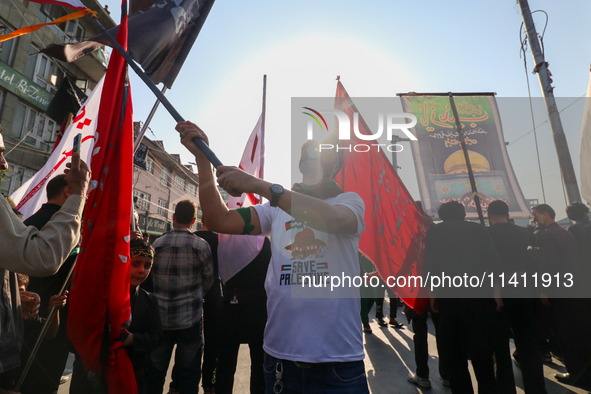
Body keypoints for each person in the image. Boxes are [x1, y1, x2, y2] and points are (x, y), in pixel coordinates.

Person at [177, 121, 369, 393]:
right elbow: (219, 219)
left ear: (335, 166)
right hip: (280, 360)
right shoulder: (275, 211)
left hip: (338, 364)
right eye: (307, 156)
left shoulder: (348, 201)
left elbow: (336, 221)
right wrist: (202, 161)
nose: (312, 160)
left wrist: (259, 185)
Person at [0, 130, 90, 376]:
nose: (4, 163)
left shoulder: (26, 221)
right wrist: (80, 193)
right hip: (39, 334)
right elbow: (43, 257)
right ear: (67, 192)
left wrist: (13, 297)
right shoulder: (47, 223)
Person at [424, 201, 500, 394]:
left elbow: (430, 266)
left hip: (449, 299)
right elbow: (493, 264)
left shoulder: (435, 232)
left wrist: (433, 295)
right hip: (480, 298)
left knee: (454, 354)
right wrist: (497, 295)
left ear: (442, 215)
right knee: (482, 354)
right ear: (463, 213)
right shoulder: (479, 229)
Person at [17, 175, 79, 394]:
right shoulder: (65, 228)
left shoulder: (28, 223)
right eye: (82, 192)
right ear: (68, 191)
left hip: (23, 317)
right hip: (50, 319)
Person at [146, 200, 213, 394]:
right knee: (189, 372)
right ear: (193, 221)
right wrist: (195, 296)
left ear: (174, 217)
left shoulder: (157, 244)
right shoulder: (201, 245)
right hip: (190, 320)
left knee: (155, 372)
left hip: (160, 320)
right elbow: (208, 279)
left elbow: (150, 278)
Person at [487, 200, 547, 394]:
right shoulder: (523, 233)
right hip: (523, 291)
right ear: (508, 214)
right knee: (528, 344)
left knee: (500, 348)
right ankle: (537, 389)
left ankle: (505, 389)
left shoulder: (487, 235)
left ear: (489, 215)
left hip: (499, 294)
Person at [531, 203, 591, 387]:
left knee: (566, 334)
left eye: (536, 216)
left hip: (561, 292)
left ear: (545, 215)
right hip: (575, 288)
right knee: (580, 332)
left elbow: (549, 266)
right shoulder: (565, 232)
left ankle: (575, 372)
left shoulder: (550, 235)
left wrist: (544, 291)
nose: (534, 220)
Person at [216, 237, 271, 394]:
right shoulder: (264, 243)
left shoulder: (225, 242)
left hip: (230, 304)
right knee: (259, 361)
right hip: (258, 306)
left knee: (225, 363)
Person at [0, 274, 67, 393]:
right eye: (12, 293)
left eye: (21, 291)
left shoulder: (24, 315)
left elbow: (49, 333)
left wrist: (53, 309)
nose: (17, 297)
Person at [125, 239, 163, 394]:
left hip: (136, 375)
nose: (142, 270)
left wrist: (132, 339)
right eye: (136, 264)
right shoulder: (102, 296)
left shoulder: (150, 300)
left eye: (147, 266)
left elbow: (156, 337)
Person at [194, 219, 222, 394]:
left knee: (191, 340)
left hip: (194, 292)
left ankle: (179, 383)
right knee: (213, 339)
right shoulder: (220, 240)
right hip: (214, 293)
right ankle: (209, 384)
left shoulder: (193, 238)